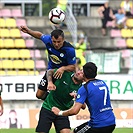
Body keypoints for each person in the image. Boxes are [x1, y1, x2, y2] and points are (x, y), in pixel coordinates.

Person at [52, 62, 116, 133]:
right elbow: (92, 99)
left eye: (82, 70)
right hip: (111, 122)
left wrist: (60, 113)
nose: (80, 72)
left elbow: (74, 111)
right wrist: (79, 97)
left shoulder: (84, 88)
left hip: (98, 125)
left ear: (84, 74)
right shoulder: (102, 83)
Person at [20, 26, 76, 100]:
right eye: (54, 41)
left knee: (62, 96)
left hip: (63, 74)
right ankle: (52, 101)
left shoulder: (69, 50)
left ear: (63, 40)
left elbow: (73, 67)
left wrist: (63, 68)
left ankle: (59, 103)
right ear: (51, 39)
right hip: (50, 71)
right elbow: (40, 35)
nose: (56, 44)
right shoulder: (48, 40)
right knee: (39, 95)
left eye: (59, 42)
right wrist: (28, 31)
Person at [36, 68, 85, 133]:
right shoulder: (65, 74)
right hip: (48, 107)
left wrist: (77, 97)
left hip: (62, 112)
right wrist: (50, 82)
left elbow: (84, 106)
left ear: (84, 79)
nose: (79, 72)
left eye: (82, 73)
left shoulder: (81, 89)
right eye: (80, 70)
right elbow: (49, 71)